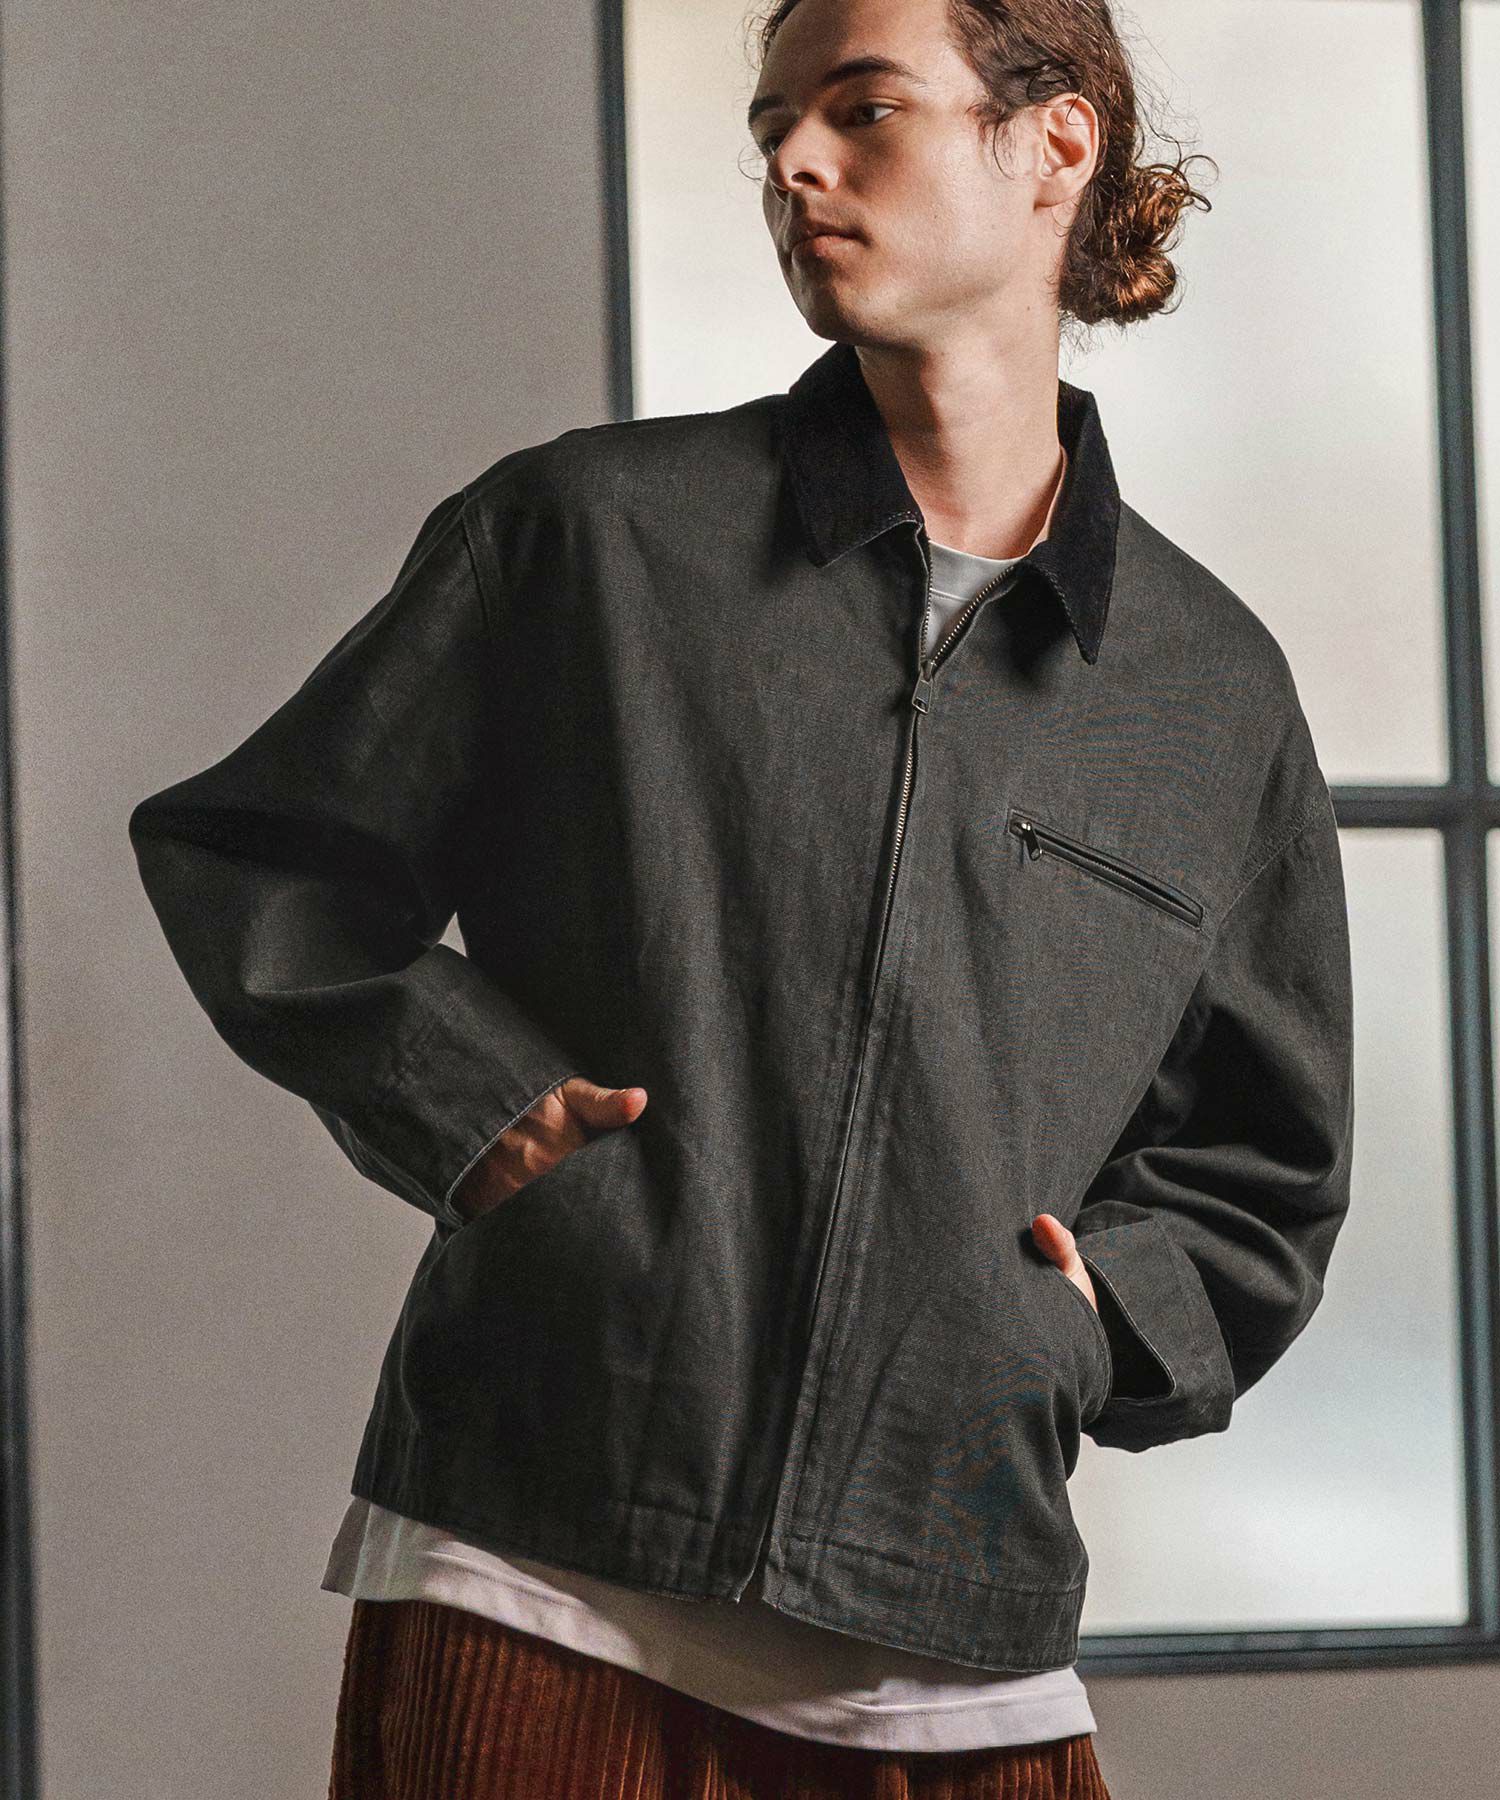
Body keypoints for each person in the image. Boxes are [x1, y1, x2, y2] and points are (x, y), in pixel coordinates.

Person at [127, 0, 1355, 1795]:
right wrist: (473, 1109)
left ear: (1056, 145)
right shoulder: (588, 536)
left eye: (865, 110)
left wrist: (1083, 1326)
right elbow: (267, 853)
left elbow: (1262, 1166)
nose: (795, 166)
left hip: (951, 1607)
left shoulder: (1208, 691)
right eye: (776, 128)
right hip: (534, 1558)